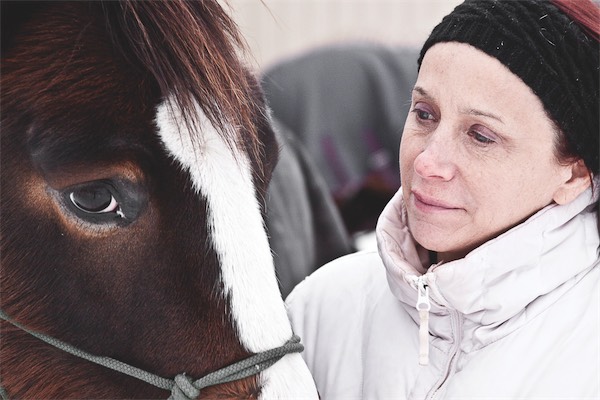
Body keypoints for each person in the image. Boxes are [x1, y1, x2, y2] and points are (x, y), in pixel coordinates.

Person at [285, 0, 600, 398]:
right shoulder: (321, 310)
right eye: (424, 114)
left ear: (574, 173)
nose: (428, 162)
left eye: (481, 136)